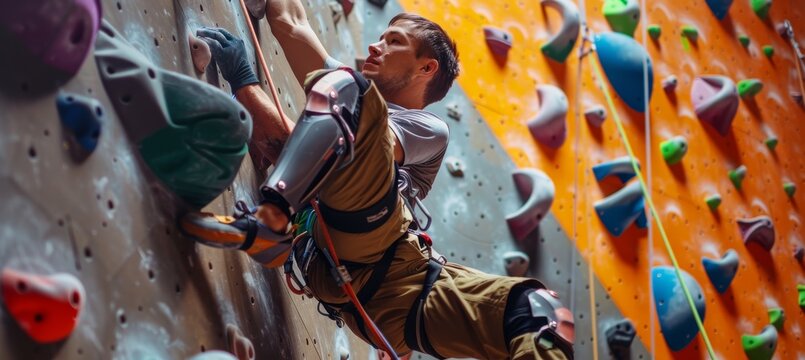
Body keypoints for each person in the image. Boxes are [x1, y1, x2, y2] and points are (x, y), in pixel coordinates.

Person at [181, 2, 575, 359]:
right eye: (382, 37)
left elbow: (331, 151)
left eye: (394, 42)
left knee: (541, 313)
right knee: (346, 89)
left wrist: (245, 81)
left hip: (400, 283)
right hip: (351, 268)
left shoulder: (427, 128)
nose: (375, 45)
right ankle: (273, 224)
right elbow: (292, 23)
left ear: (426, 68)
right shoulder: (349, 98)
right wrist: (249, 79)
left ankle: (270, 221)